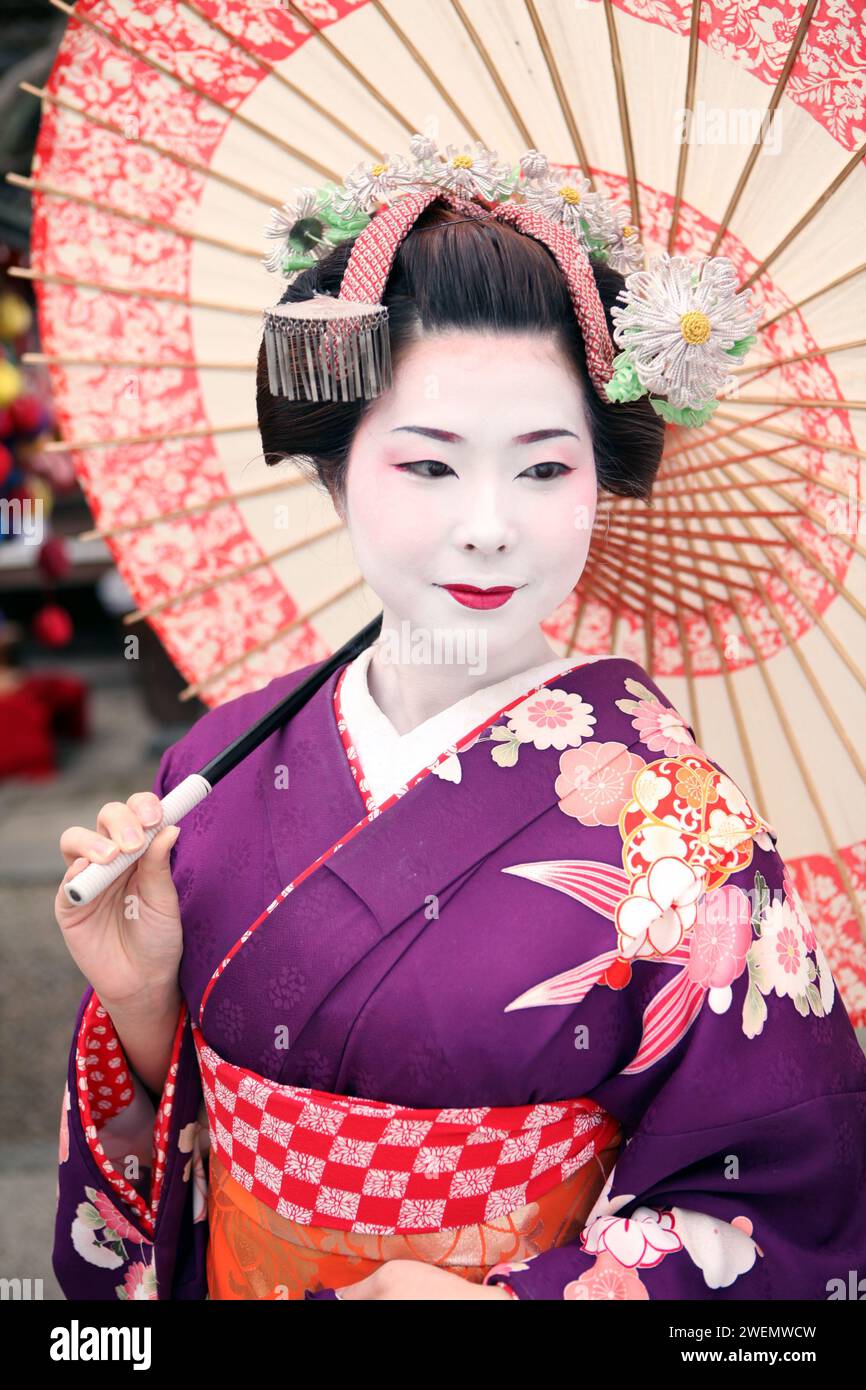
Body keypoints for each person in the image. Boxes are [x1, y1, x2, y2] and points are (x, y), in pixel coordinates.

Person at [51, 153, 866, 1301]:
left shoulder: (681, 827)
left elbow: (787, 1209)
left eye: (542, 466)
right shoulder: (215, 765)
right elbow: (172, 1139)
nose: (488, 528)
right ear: (334, 469)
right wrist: (142, 1009)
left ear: (600, 480)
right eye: (426, 463)